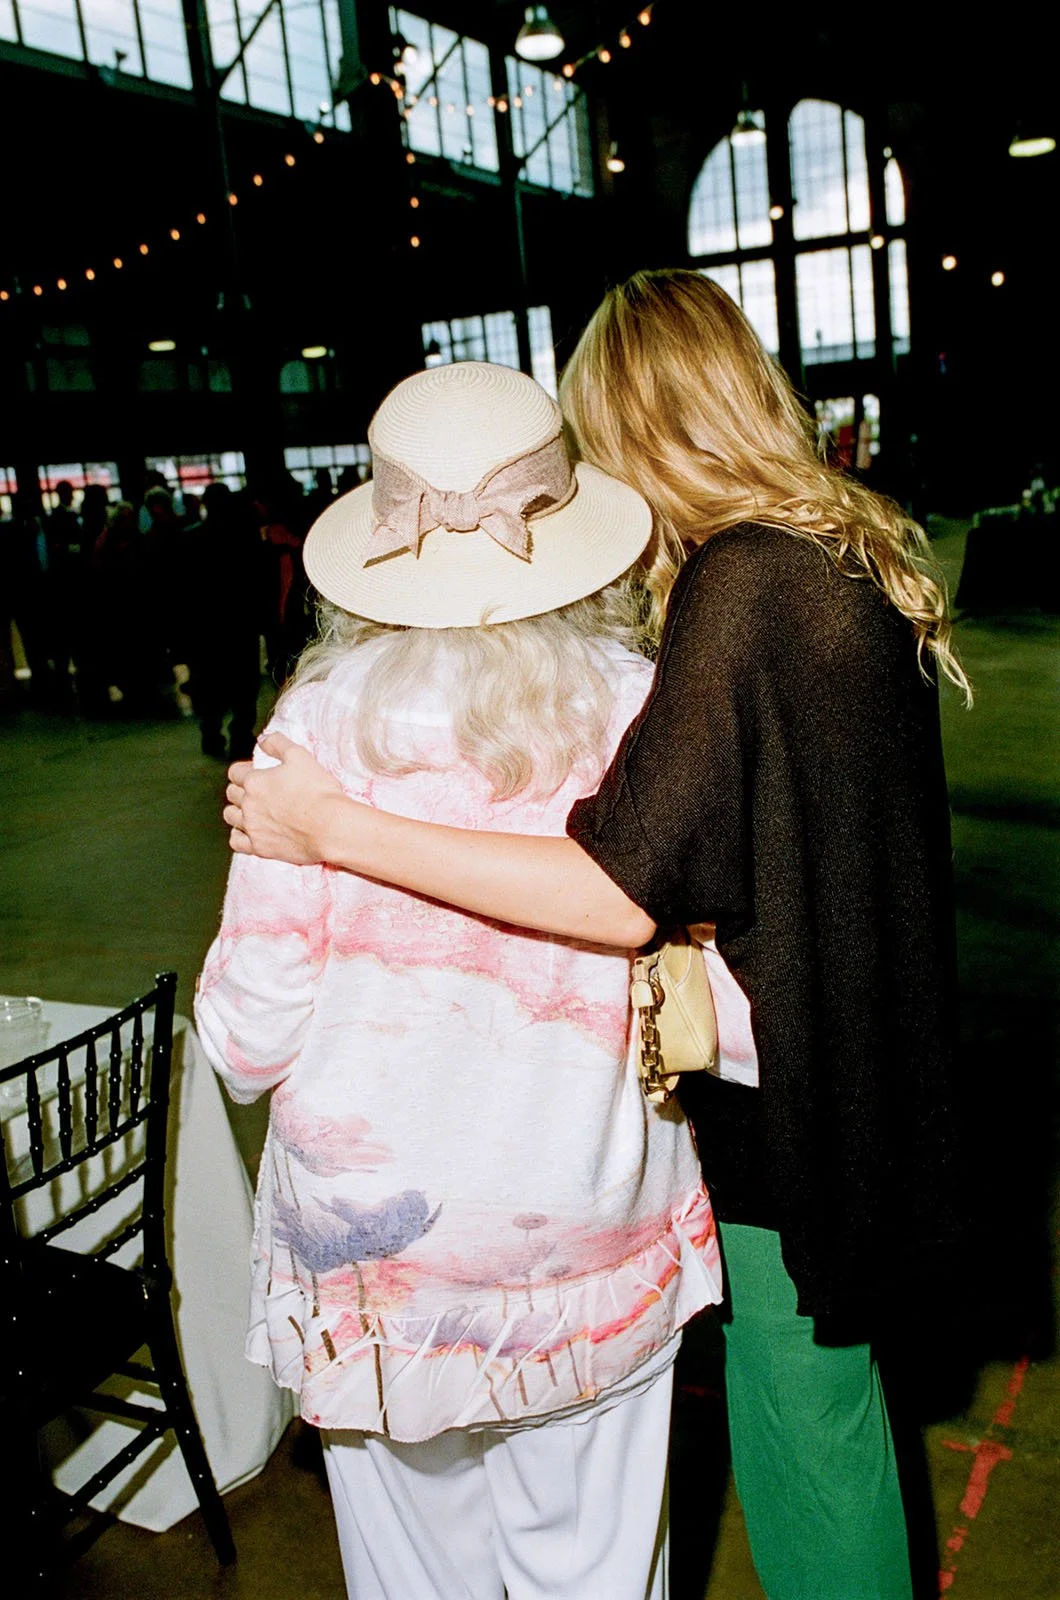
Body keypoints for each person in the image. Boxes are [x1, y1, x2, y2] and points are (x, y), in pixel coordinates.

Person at [224, 272, 971, 1600]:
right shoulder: (816, 564)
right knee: (716, 1487)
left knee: (802, 1439)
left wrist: (328, 829)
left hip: (762, 1117)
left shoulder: (738, 590)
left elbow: (617, 890)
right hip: (791, 1104)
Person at [196, 361, 722, 1600]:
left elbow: (249, 1039)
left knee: (413, 1577)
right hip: (584, 1220)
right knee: (594, 1569)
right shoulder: (643, 703)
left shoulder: (315, 727)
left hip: (379, 1256)